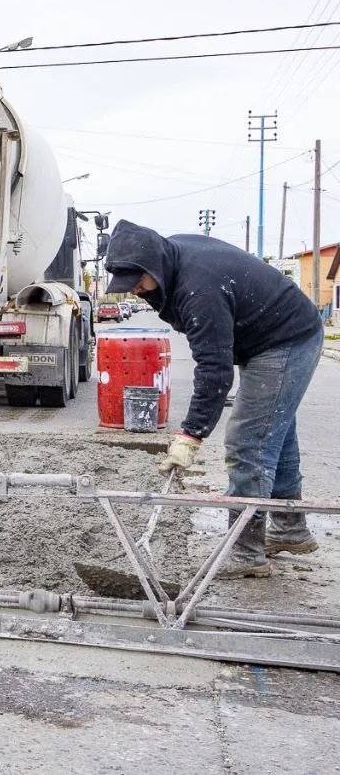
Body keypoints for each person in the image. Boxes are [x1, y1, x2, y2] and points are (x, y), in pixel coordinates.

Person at [105, 220, 324, 578]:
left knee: (249, 443)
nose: (135, 290)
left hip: (286, 340)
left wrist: (191, 434)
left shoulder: (198, 289)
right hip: (271, 336)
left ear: (152, 266)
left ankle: (246, 553)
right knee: (276, 435)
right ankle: (291, 529)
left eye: (138, 281)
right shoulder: (170, 257)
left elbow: (215, 371)